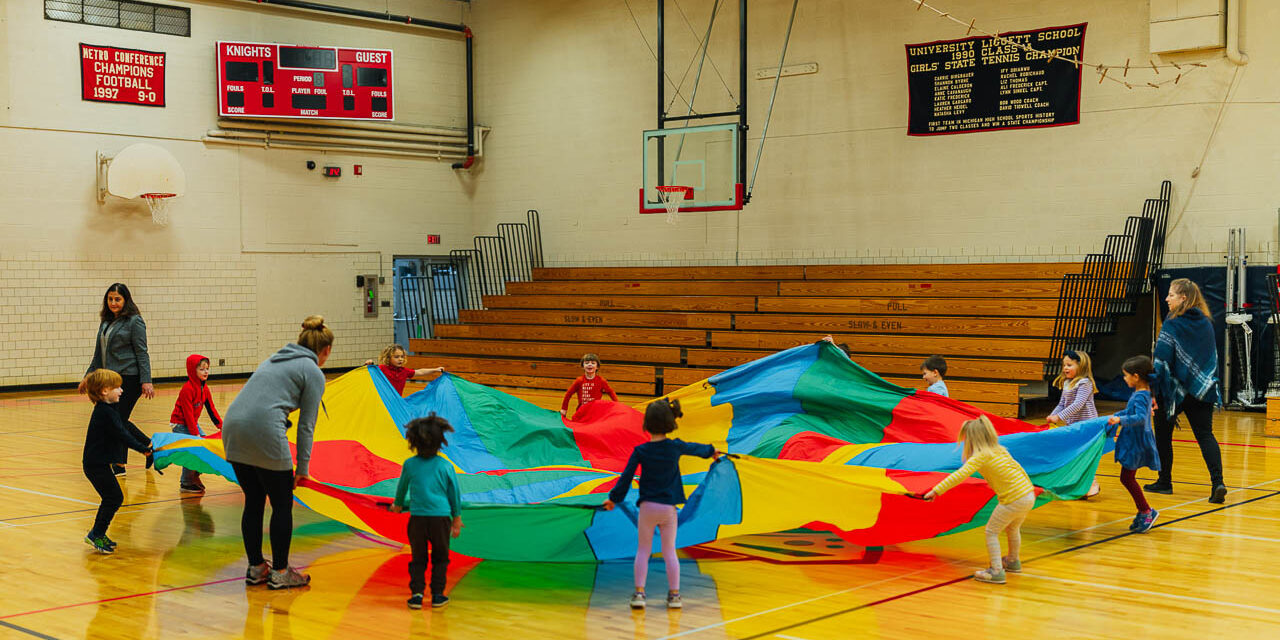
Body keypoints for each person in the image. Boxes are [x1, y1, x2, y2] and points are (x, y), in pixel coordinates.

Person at [222, 315, 332, 590]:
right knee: (282, 504)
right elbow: (307, 427)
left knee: (254, 499)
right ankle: (281, 571)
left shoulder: (276, 358)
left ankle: (257, 567)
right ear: (326, 351)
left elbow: (263, 400)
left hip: (232, 428)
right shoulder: (313, 371)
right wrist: (303, 469)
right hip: (264, 432)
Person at [602, 399, 719, 609]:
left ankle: (639, 594)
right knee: (669, 552)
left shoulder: (641, 450)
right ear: (670, 423)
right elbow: (697, 449)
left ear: (646, 424)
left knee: (643, 551)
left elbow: (625, 479)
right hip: (668, 510)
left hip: (647, 508)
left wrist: (613, 499)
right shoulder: (675, 447)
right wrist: (712, 451)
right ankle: (674, 595)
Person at [923, 415, 1035, 585]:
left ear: (972, 439)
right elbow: (1018, 469)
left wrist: (936, 490)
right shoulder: (1000, 449)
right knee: (1013, 528)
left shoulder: (981, 456)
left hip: (1014, 498)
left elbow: (959, 475)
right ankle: (1013, 560)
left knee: (991, 532)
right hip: (1027, 494)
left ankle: (996, 571)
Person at [1144, 278, 1226, 504]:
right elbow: (1211, 360)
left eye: (1171, 295)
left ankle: (1164, 482)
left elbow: (1160, 360)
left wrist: (1152, 391)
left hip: (1173, 391)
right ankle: (1218, 483)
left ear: (1184, 298)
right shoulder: (1206, 324)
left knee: (1163, 434)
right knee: (1205, 435)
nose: (1167, 299)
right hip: (1203, 389)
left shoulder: (1172, 323)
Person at [79, 283, 154, 476]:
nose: (113, 302)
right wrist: (89, 376)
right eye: (110, 299)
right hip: (109, 380)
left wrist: (146, 380)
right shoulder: (105, 322)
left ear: (125, 300)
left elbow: (142, 352)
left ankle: (120, 464)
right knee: (116, 420)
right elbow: (98, 354)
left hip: (129, 378)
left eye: (117, 299)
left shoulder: (134, 321)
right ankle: (147, 446)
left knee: (117, 420)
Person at [390, 414, 463, 610]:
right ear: (441, 441)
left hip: (418, 520)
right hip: (441, 519)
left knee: (418, 557)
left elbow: (402, 488)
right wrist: (456, 518)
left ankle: (417, 594)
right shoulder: (445, 466)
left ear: (414, 441)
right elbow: (454, 493)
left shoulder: (410, 464)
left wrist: (397, 506)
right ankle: (438, 595)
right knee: (441, 557)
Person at [81, 369, 153, 553]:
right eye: (117, 387)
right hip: (95, 465)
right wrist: (143, 449)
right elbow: (122, 435)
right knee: (113, 497)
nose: (121, 391)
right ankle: (96, 534)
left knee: (113, 497)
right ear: (105, 391)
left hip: (99, 464)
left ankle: (98, 533)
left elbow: (125, 427)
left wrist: (146, 443)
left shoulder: (110, 410)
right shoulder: (104, 412)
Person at [1108, 356, 1162, 533]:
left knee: (1127, 478)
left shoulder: (1141, 395)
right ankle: (1143, 510)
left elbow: (1138, 418)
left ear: (1136, 377)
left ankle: (1146, 510)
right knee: (1127, 477)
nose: (1124, 379)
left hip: (1136, 442)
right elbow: (1132, 412)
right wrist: (1118, 415)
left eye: (1126, 376)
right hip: (1134, 439)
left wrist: (1120, 419)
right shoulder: (1143, 393)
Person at [1047, 350, 1100, 497]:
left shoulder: (1085, 383)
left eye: (1069, 365)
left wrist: (1059, 417)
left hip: (1087, 426)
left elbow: (1078, 404)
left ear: (1081, 366)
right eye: (1064, 365)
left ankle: (1092, 483)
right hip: (1074, 427)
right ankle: (1076, 484)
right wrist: (1053, 415)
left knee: (1086, 456)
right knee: (1074, 455)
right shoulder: (1066, 383)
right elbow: (1062, 404)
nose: (1065, 368)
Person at [170, 354, 223, 494]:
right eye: (201, 369)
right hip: (180, 424)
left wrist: (222, 426)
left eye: (207, 369)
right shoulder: (187, 389)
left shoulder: (204, 389)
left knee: (206, 449)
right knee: (194, 450)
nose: (206, 372)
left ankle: (192, 476)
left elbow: (212, 410)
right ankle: (186, 482)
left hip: (192, 423)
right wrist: (196, 435)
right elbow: (187, 415)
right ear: (193, 371)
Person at [364, 344, 443, 395]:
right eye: (396, 357)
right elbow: (369, 372)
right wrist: (369, 364)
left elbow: (420, 372)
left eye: (402, 356)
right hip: (384, 401)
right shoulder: (382, 368)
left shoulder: (404, 371)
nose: (400, 359)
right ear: (388, 358)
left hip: (398, 401)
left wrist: (435, 369)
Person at [560, 353, 618, 419]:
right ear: (582, 366)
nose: (590, 364)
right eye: (587, 363)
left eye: (593, 363)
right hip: (582, 412)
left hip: (595, 412)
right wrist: (564, 409)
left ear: (597, 367)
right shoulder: (579, 380)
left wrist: (618, 406)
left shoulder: (601, 381)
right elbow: (568, 394)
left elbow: (610, 392)